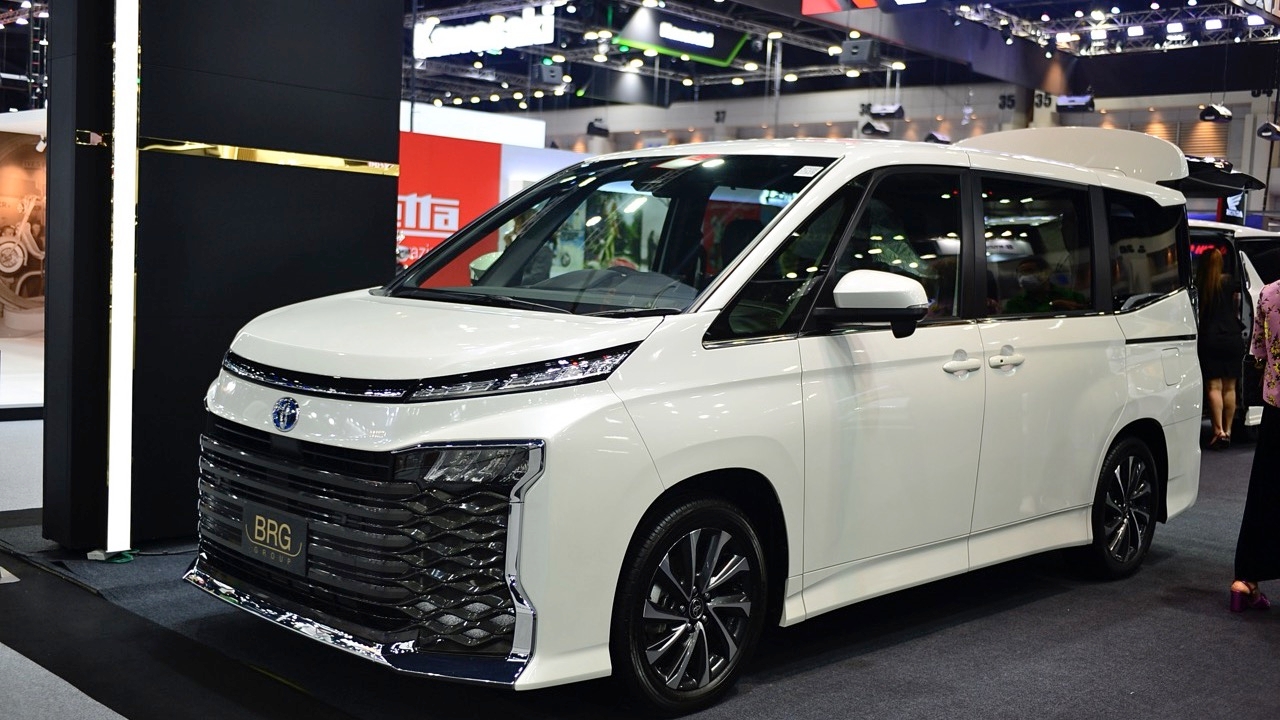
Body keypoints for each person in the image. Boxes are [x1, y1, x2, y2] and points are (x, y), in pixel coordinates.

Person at [1229, 277, 1280, 612]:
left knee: (1265, 491)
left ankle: (1245, 580)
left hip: (1276, 410)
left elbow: (1258, 353)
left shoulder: (1269, 293)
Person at [1195, 248, 1245, 450]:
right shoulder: (1229, 282)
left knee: (1214, 387)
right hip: (1232, 337)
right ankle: (1229, 430)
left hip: (1210, 338)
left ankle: (1218, 431)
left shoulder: (1200, 284)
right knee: (1230, 388)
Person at [1003, 255, 1088, 313]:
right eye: (1021, 273)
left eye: (1029, 271)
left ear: (1046, 273)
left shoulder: (1071, 297)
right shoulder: (1015, 304)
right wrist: (1052, 305)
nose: (1024, 277)